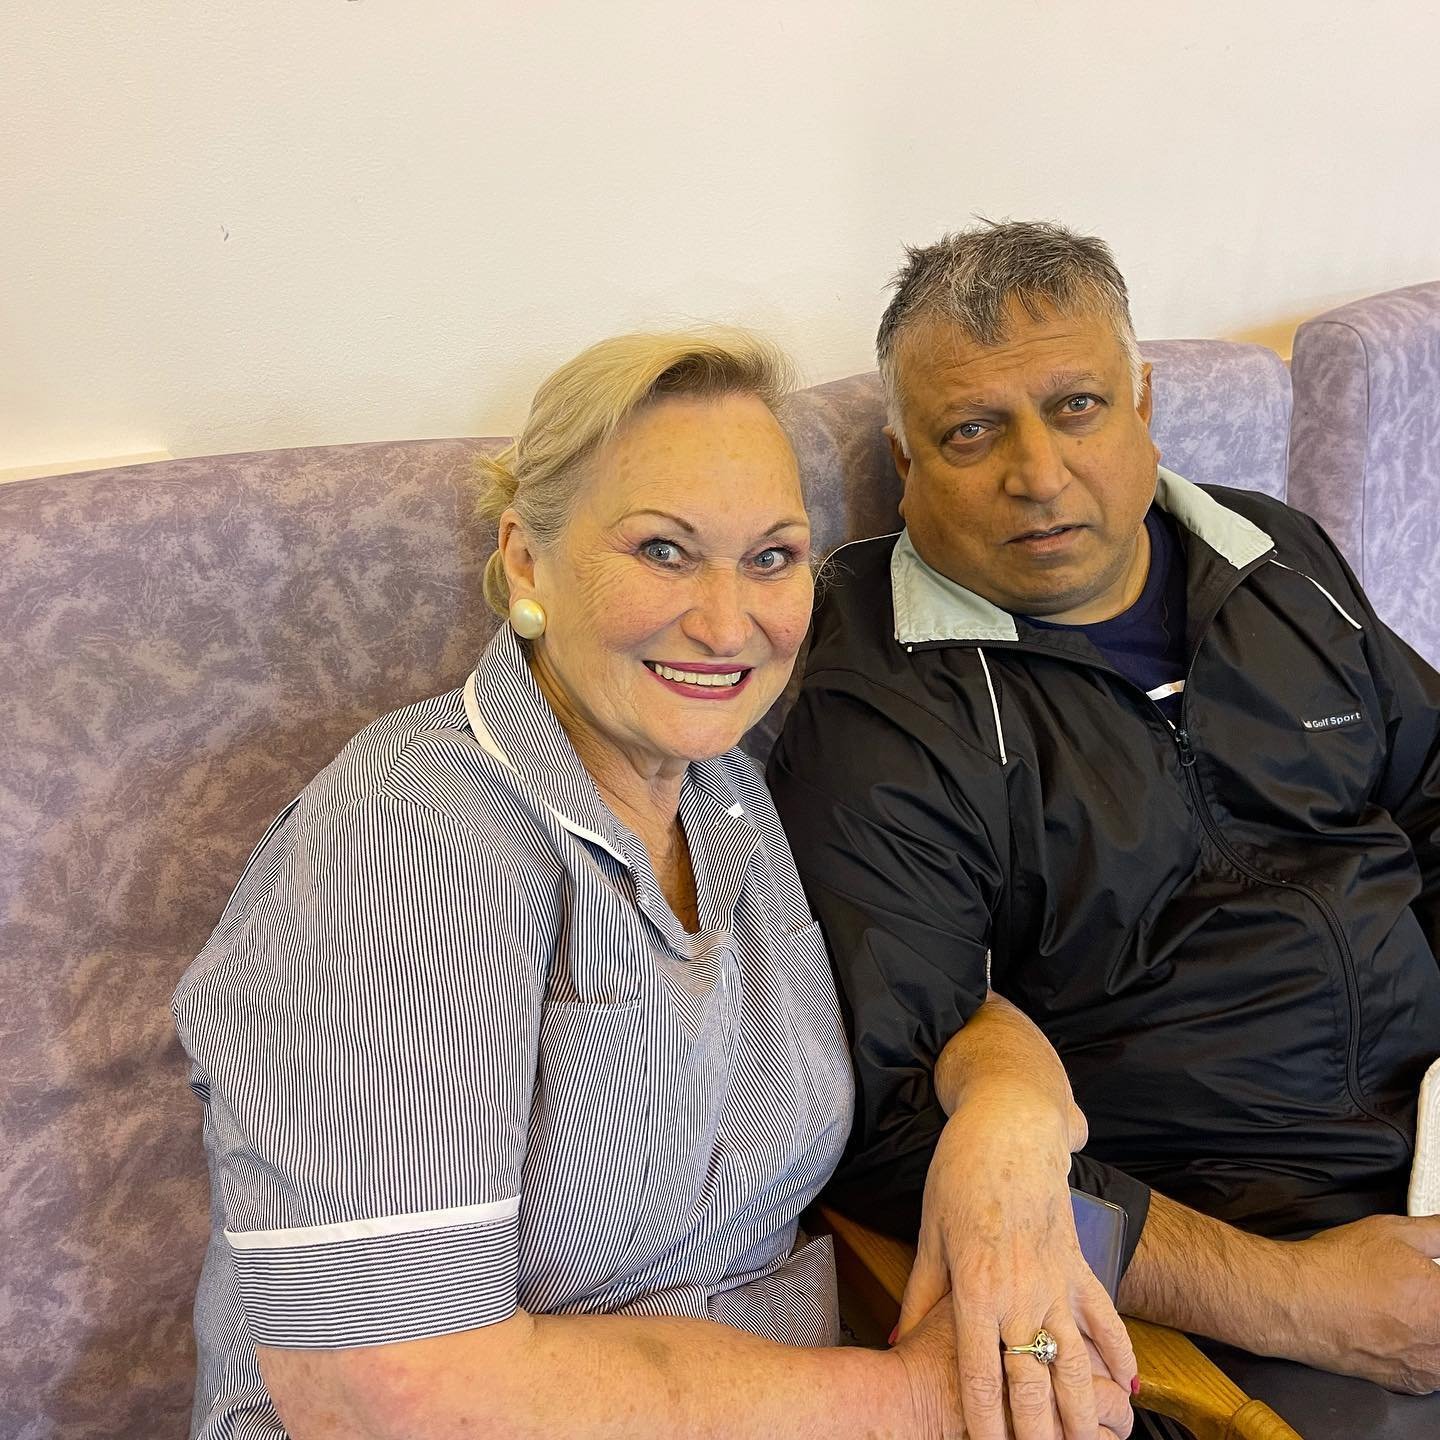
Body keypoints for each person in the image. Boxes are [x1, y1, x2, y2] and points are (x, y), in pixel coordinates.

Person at [173, 328, 1138, 1439]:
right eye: (664, 551)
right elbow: (385, 1389)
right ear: (527, 561)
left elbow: (934, 991)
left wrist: (1013, 1112)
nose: (728, 624)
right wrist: (915, 1401)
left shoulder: (730, 788)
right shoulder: (415, 838)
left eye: (771, 557)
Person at [768, 221, 1440, 1437]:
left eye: (1075, 407)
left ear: (1142, 404)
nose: (1038, 474)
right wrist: (1294, 1301)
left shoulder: (1274, 559)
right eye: (972, 433)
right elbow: (893, 1133)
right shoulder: (879, 704)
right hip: (1228, 1275)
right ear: (904, 461)